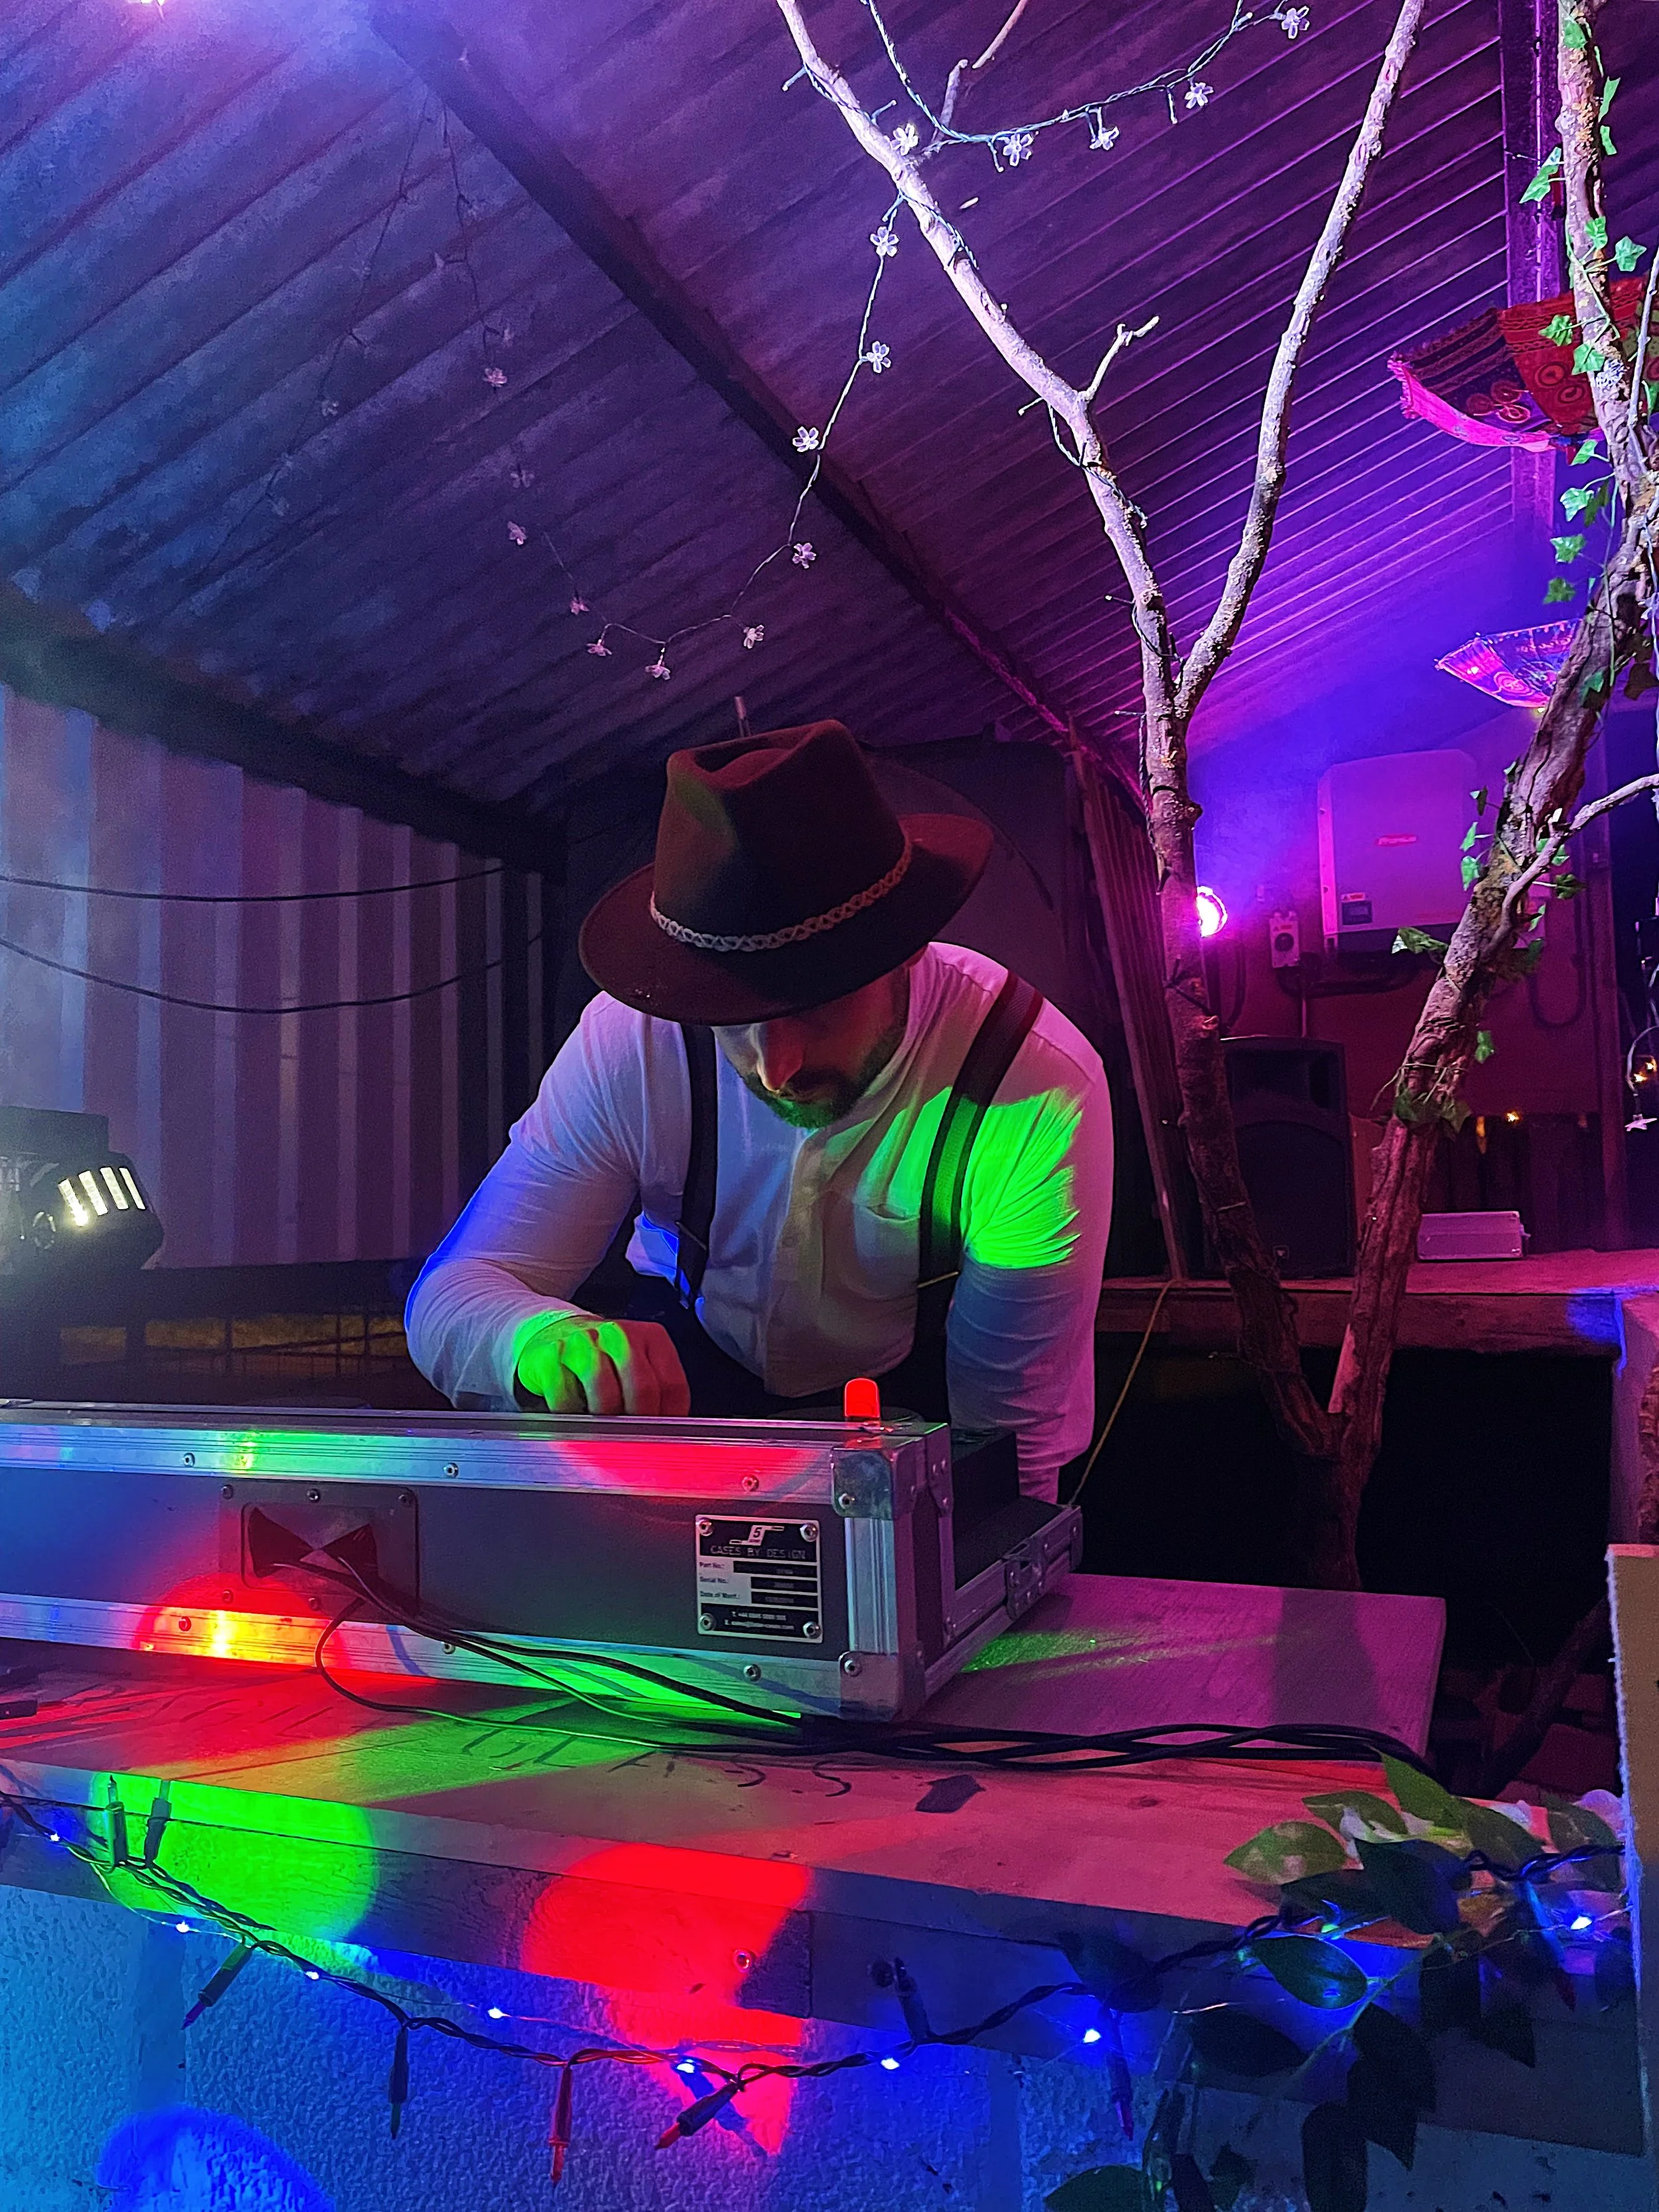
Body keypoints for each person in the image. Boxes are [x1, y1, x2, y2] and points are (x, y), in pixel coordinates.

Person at [405, 720, 1112, 1502]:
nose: (778, 1069)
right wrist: (537, 1337)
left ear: (906, 950)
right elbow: (452, 1295)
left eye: (814, 1006)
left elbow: (1010, 1438)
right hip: (688, 1397)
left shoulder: (1028, 1084)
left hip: (919, 1409)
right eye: (735, 1017)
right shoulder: (632, 1042)